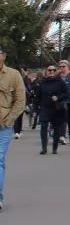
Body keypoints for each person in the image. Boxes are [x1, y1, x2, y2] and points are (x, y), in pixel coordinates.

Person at [0, 46, 28, 211]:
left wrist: (9, 120)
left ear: (3, 56)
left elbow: (20, 100)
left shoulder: (13, 75)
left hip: (3, 125)